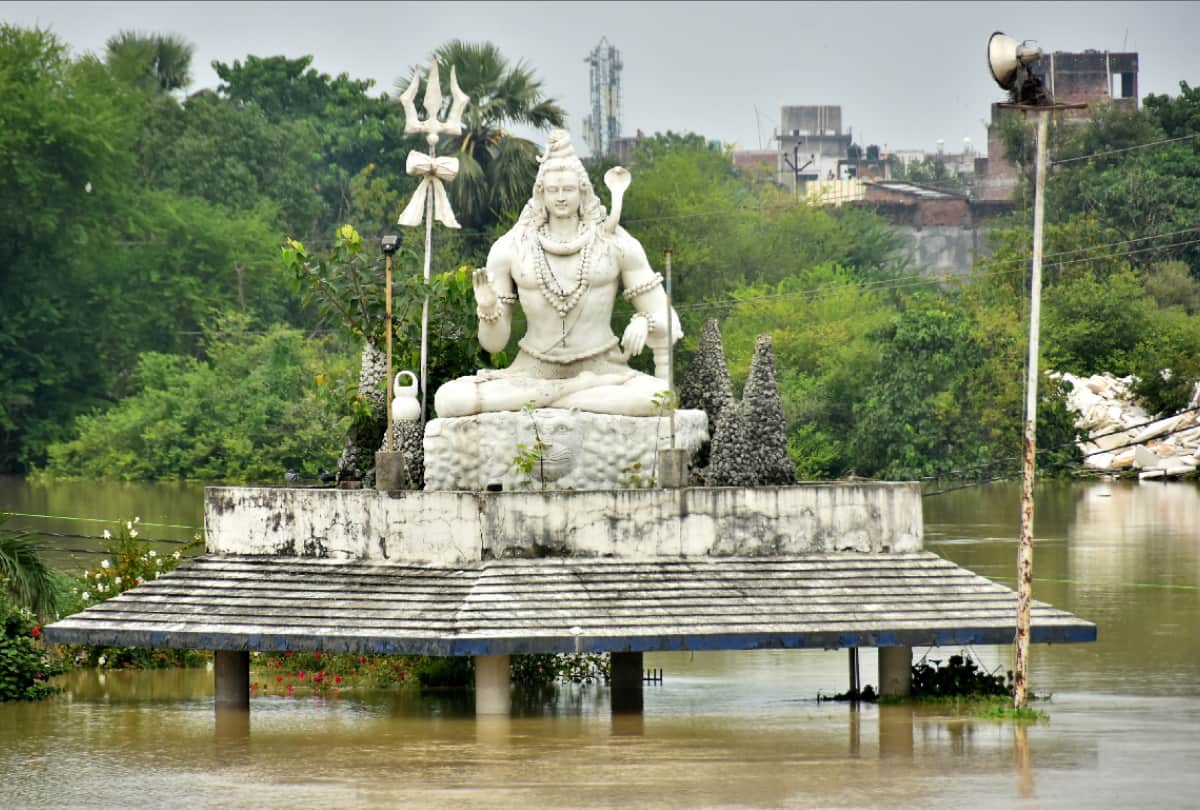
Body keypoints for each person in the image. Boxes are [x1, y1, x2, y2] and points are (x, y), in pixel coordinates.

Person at [433, 130, 681, 418]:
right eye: (553, 191)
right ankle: (565, 397)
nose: (561, 198)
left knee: (657, 398)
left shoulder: (616, 243)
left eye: (568, 190)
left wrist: (645, 321)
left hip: (603, 370)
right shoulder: (510, 248)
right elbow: (494, 344)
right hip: (532, 371)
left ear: (583, 190)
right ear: (541, 193)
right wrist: (488, 308)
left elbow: (669, 320)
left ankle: (550, 400)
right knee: (450, 400)